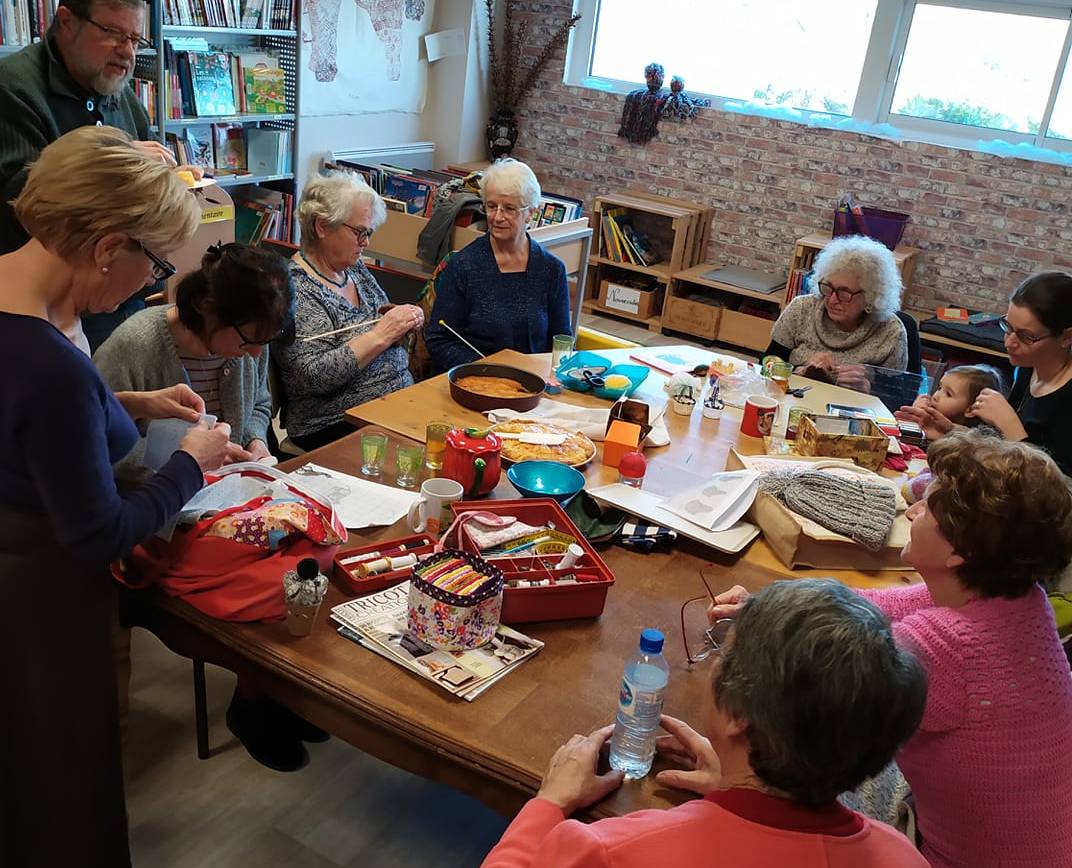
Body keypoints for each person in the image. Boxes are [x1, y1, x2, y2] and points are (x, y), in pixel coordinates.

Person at [0, 125, 230, 868]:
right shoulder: (50, 366)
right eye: (156, 261)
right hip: (41, 606)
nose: (156, 280)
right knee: (59, 780)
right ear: (108, 248)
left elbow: (25, 424)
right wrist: (189, 466)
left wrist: (128, 403)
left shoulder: (23, 303)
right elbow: (99, 532)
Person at [709, 431, 1072, 868]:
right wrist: (762, 605)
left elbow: (800, 697)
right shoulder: (1018, 599)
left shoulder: (946, 647)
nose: (913, 510)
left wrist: (730, 784)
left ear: (960, 552)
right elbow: (873, 604)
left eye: (926, 507)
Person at [483, 579, 928, 868]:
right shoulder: (904, 858)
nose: (714, 662)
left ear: (737, 716)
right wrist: (740, 781)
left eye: (721, 652)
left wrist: (550, 802)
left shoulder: (609, 852)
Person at [0, 0, 202, 350]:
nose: (127, 51)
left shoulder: (122, 95)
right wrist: (116, 159)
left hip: (119, 300)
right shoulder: (13, 89)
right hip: (46, 313)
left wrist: (171, 182)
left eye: (136, 39)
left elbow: (143, 188)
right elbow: (17, 200)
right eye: (113, 33)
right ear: (66, 21)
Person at [95, 242, 292, 474]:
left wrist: (255, 440)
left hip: (228, 493)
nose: (255, 354)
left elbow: (259, 403)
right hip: (156, 499)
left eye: (264, 342)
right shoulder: (133, 347)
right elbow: (101, 447)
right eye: (249, 341)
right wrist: (187, 463)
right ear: (207, 307)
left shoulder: (252, 337)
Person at [274, 171, 424, 450]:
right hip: (330, 422)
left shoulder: (354, 269)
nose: (366, 242)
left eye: (369, 232)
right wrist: (382, 333)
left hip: (390, 405)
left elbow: (382, 321)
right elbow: (311, 376)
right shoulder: (294, 287)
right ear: (322, 226)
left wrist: (402, 323)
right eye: (359, 232)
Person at [900, 272, 1072, 476]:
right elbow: (1004, 451)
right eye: (1008, 327)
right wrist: (950, 432)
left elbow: (1060, 491)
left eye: (1026, 337)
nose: (1009, 342)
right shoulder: (1028, 368)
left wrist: (1010, 425)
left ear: (1066, 337)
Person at [425, 158, 572, 372]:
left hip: (535, 384)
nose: (497, 217)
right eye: (491, 206)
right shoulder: (464, 266)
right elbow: (439, 340)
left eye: (509, 208)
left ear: (531, 212)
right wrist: (488, 370)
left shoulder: (552, 269)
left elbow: (562, 343)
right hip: (477, 382)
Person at [765, 235, 907, 390]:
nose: (832, 300)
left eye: (844, 293)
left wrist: (868, 391)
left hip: (852, 410)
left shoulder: (891, 332)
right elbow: (766, 364)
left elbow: (897, 399)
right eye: (828, 287)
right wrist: (798, 371)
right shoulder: (801, 308)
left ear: (871, 297)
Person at [899, 363, 1004, 431]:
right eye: (939, 388)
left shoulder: (972, 444)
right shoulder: (930, 418)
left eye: (948, 394)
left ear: (971, 410)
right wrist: (915, 417)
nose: (935, 396)